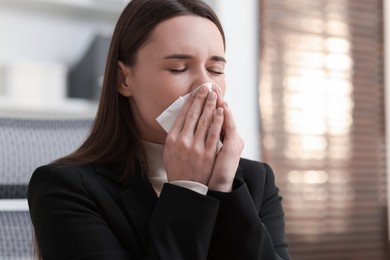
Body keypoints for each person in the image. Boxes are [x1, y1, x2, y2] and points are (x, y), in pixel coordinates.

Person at [28, 0, 291, 259]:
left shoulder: (256, 181)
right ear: (124, 79)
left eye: (215, 69)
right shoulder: (65, 189)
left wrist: (222, 186)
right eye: (178, 68)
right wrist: (188, 188)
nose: (205, 86)